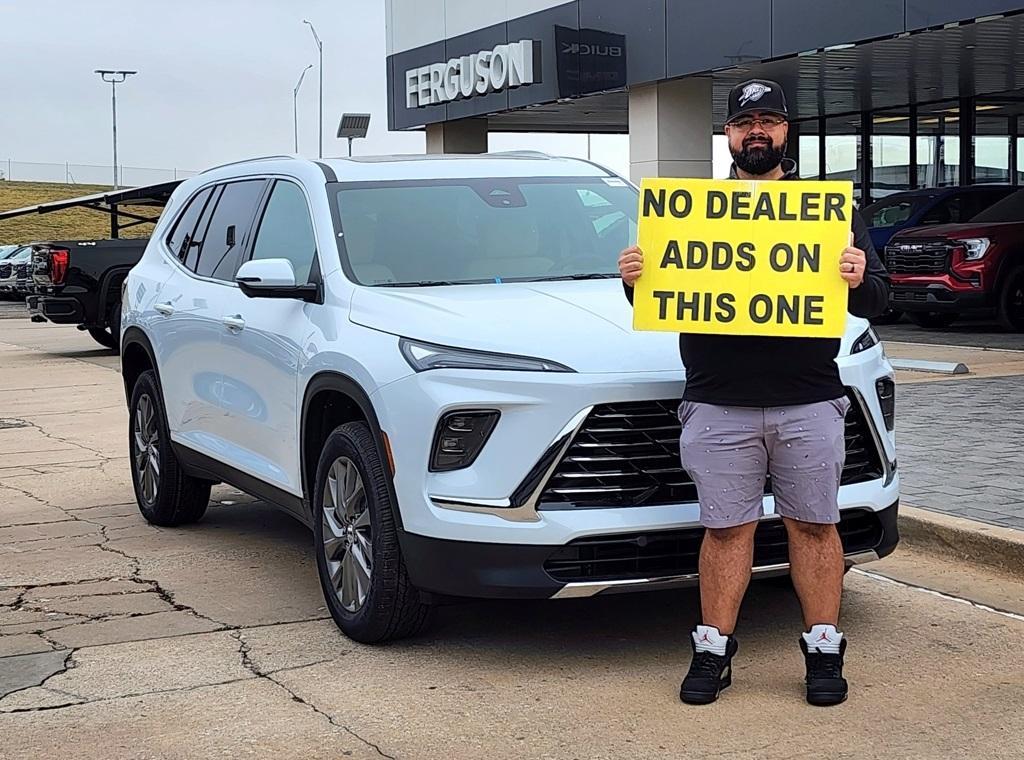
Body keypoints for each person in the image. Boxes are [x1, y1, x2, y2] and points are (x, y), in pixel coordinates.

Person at [618, 79, 890, 707]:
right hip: (718, 400)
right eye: (746, 123)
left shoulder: (828, 212)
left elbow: (879, 297)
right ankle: (713, 650)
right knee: (725, 531)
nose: (757, 132)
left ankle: (824, 648)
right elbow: (660, 299)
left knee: (817, 528)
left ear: (786, 131)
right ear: (729, 136)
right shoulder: (691, 213)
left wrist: (856, 276)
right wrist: (634, 279)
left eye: (769, 120)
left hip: (809, 397)